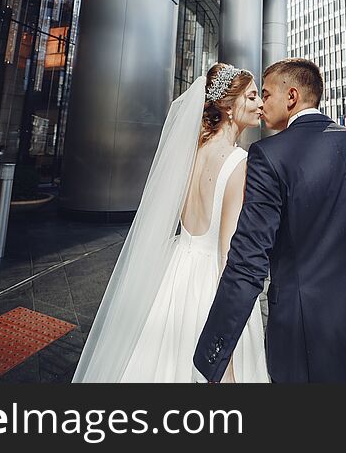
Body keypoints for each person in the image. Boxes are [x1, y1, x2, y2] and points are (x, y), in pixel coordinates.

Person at [194, 58, 346, 383]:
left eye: (266, 94)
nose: (261, 104)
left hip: (307, 347)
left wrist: (213, 354)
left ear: (292, 97)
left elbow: (248, 259)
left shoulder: (269, 156)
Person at [72, 63, 270, 383]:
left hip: (176, 269)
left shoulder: (190, 153)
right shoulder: (238, 163)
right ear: (229, 108)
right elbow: (227, 259)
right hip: (209, 282)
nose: (261, 103)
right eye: (251, 97)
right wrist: (224, 360)